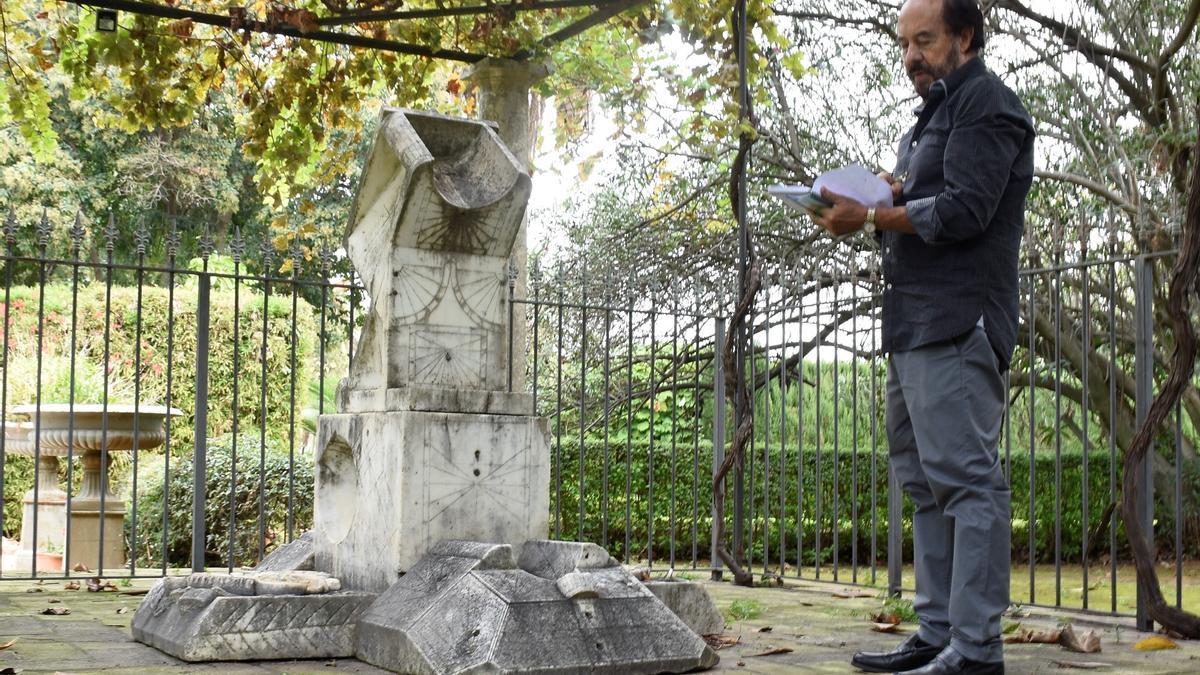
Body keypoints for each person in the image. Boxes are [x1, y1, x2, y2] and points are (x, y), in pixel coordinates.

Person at [806, 0, 1035, 673]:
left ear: (964, 37)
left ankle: (975, 650)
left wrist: (877, 209)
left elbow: (967, 209)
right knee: (925, 482)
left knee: (967, 481)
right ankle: (937, 634)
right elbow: (932, 192)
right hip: (912, 321)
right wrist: (890, 186)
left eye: (925, 40)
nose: (911, 55)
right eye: (904, 43)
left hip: (959, 320)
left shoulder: (987, 104)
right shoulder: (933, 116)